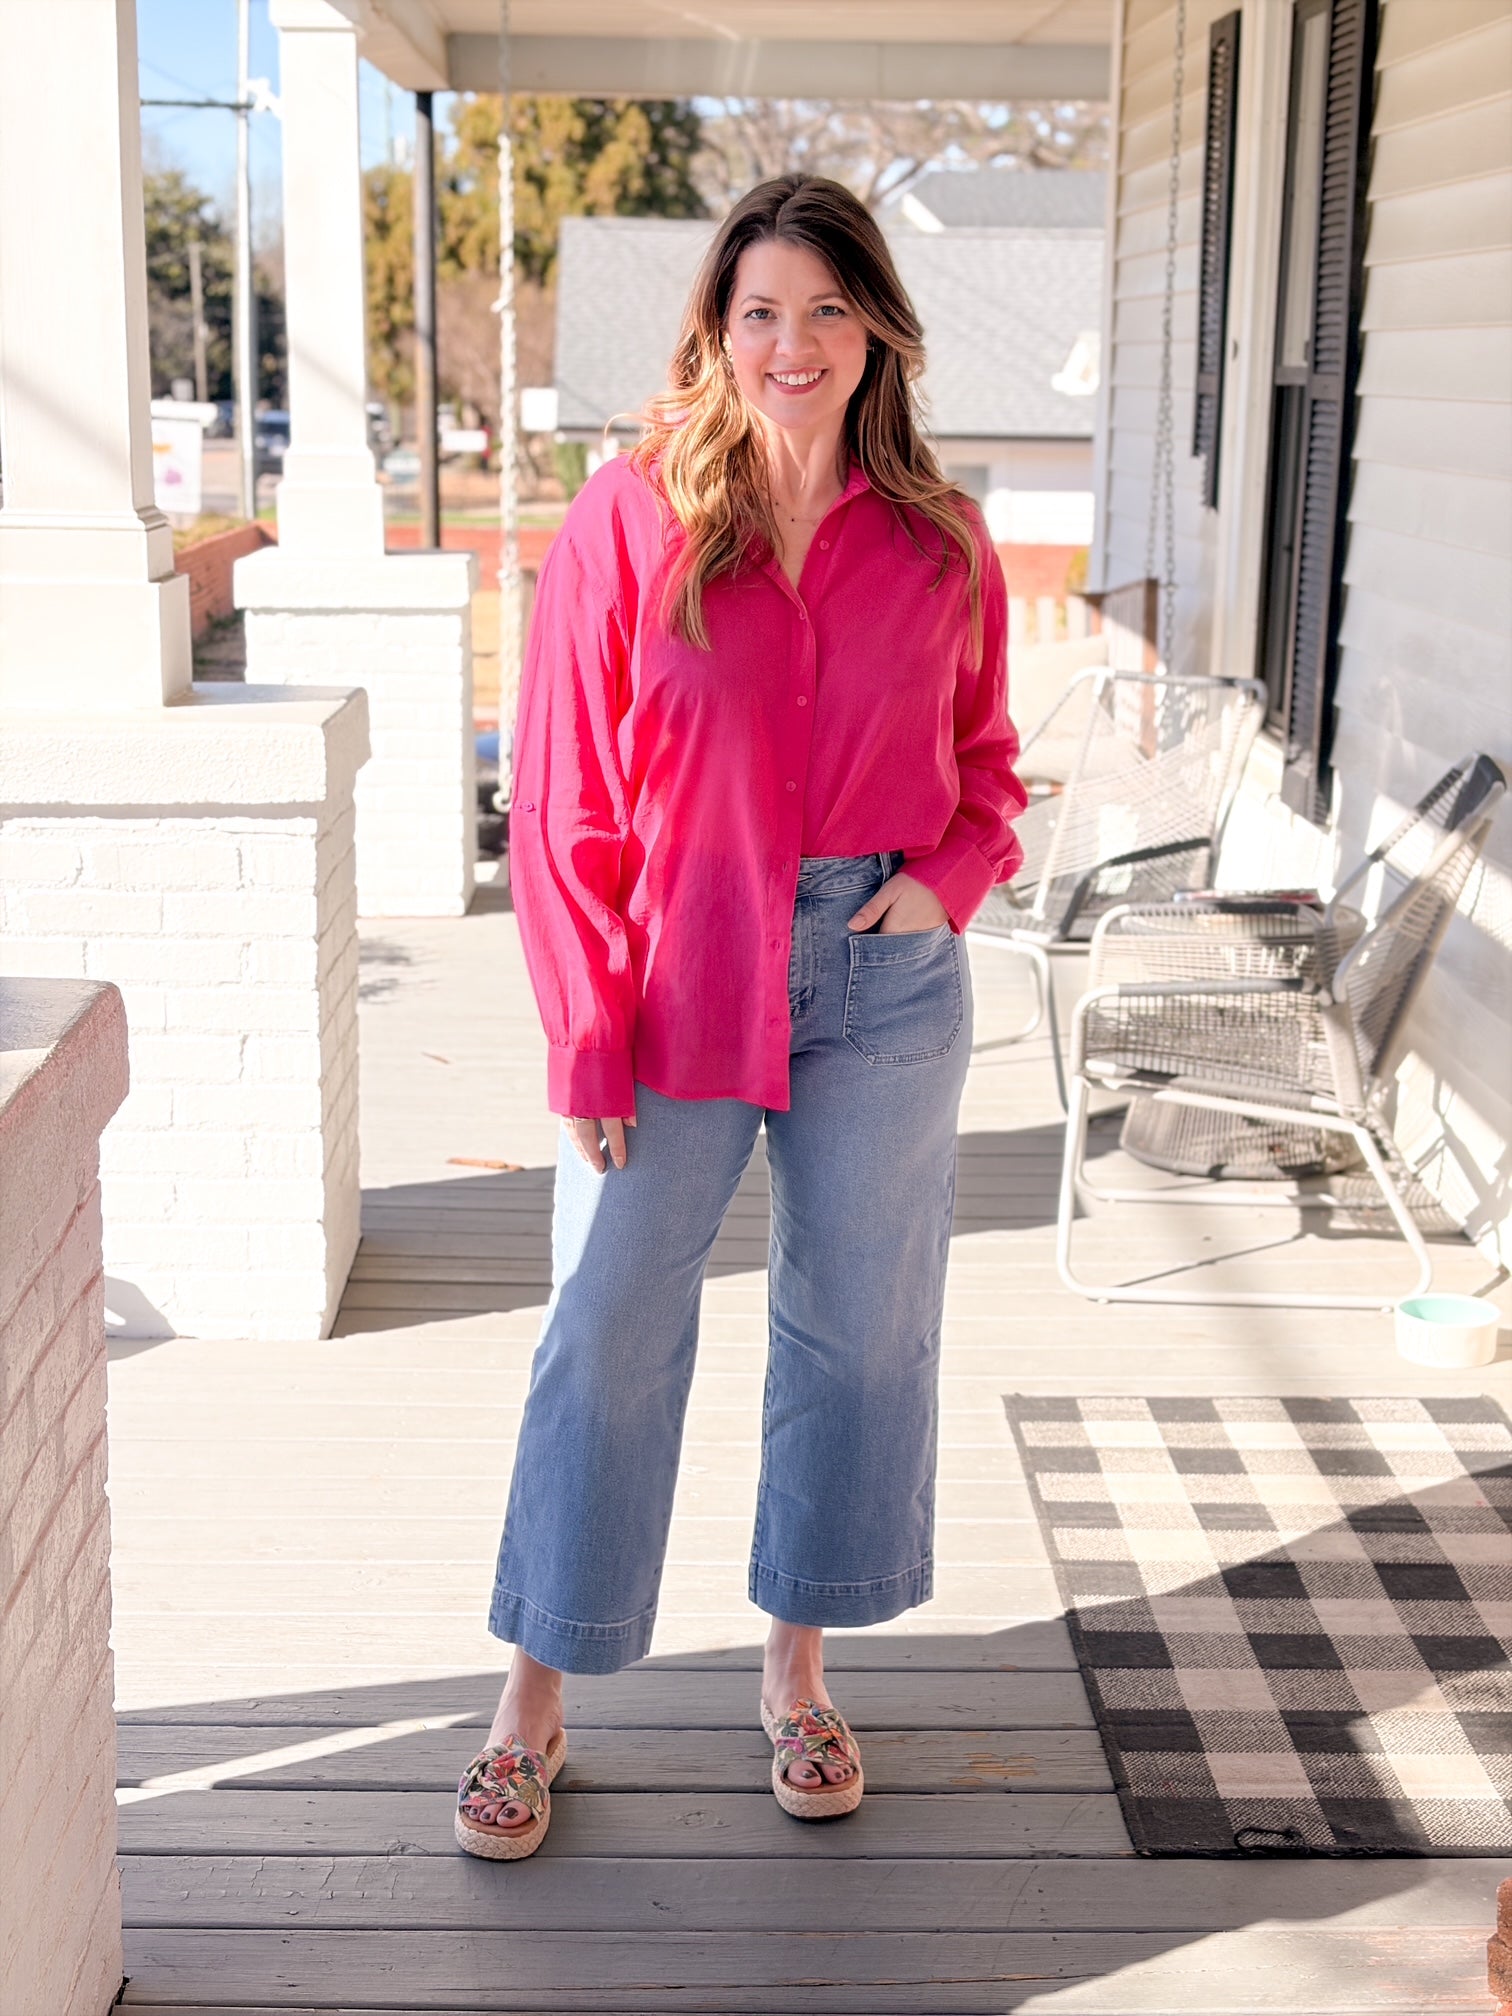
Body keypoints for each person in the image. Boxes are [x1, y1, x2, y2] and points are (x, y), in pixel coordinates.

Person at [456, 175, 1026, 1860]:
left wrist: (953, 876)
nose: (794, 343)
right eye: (761, 311)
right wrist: (583, 1028)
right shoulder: (631, 518)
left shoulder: (941, 539)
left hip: (884, 970)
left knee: (858, 1333)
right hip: (674, 965)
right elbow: (558, 797)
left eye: (827, 311)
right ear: (718, 329)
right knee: (609, 1329)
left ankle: (797, 1672)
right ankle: (532, 1701)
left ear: (875, 335)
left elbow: (988, 765)